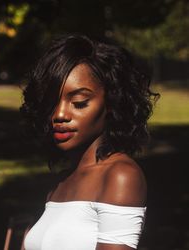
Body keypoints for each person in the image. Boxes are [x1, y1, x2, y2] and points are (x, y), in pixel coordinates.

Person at [20, 34, 159, 250]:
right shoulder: (62, 181)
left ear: (111, 102)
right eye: (52, 103)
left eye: (79, 103)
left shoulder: (120, 176)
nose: (60, 114)